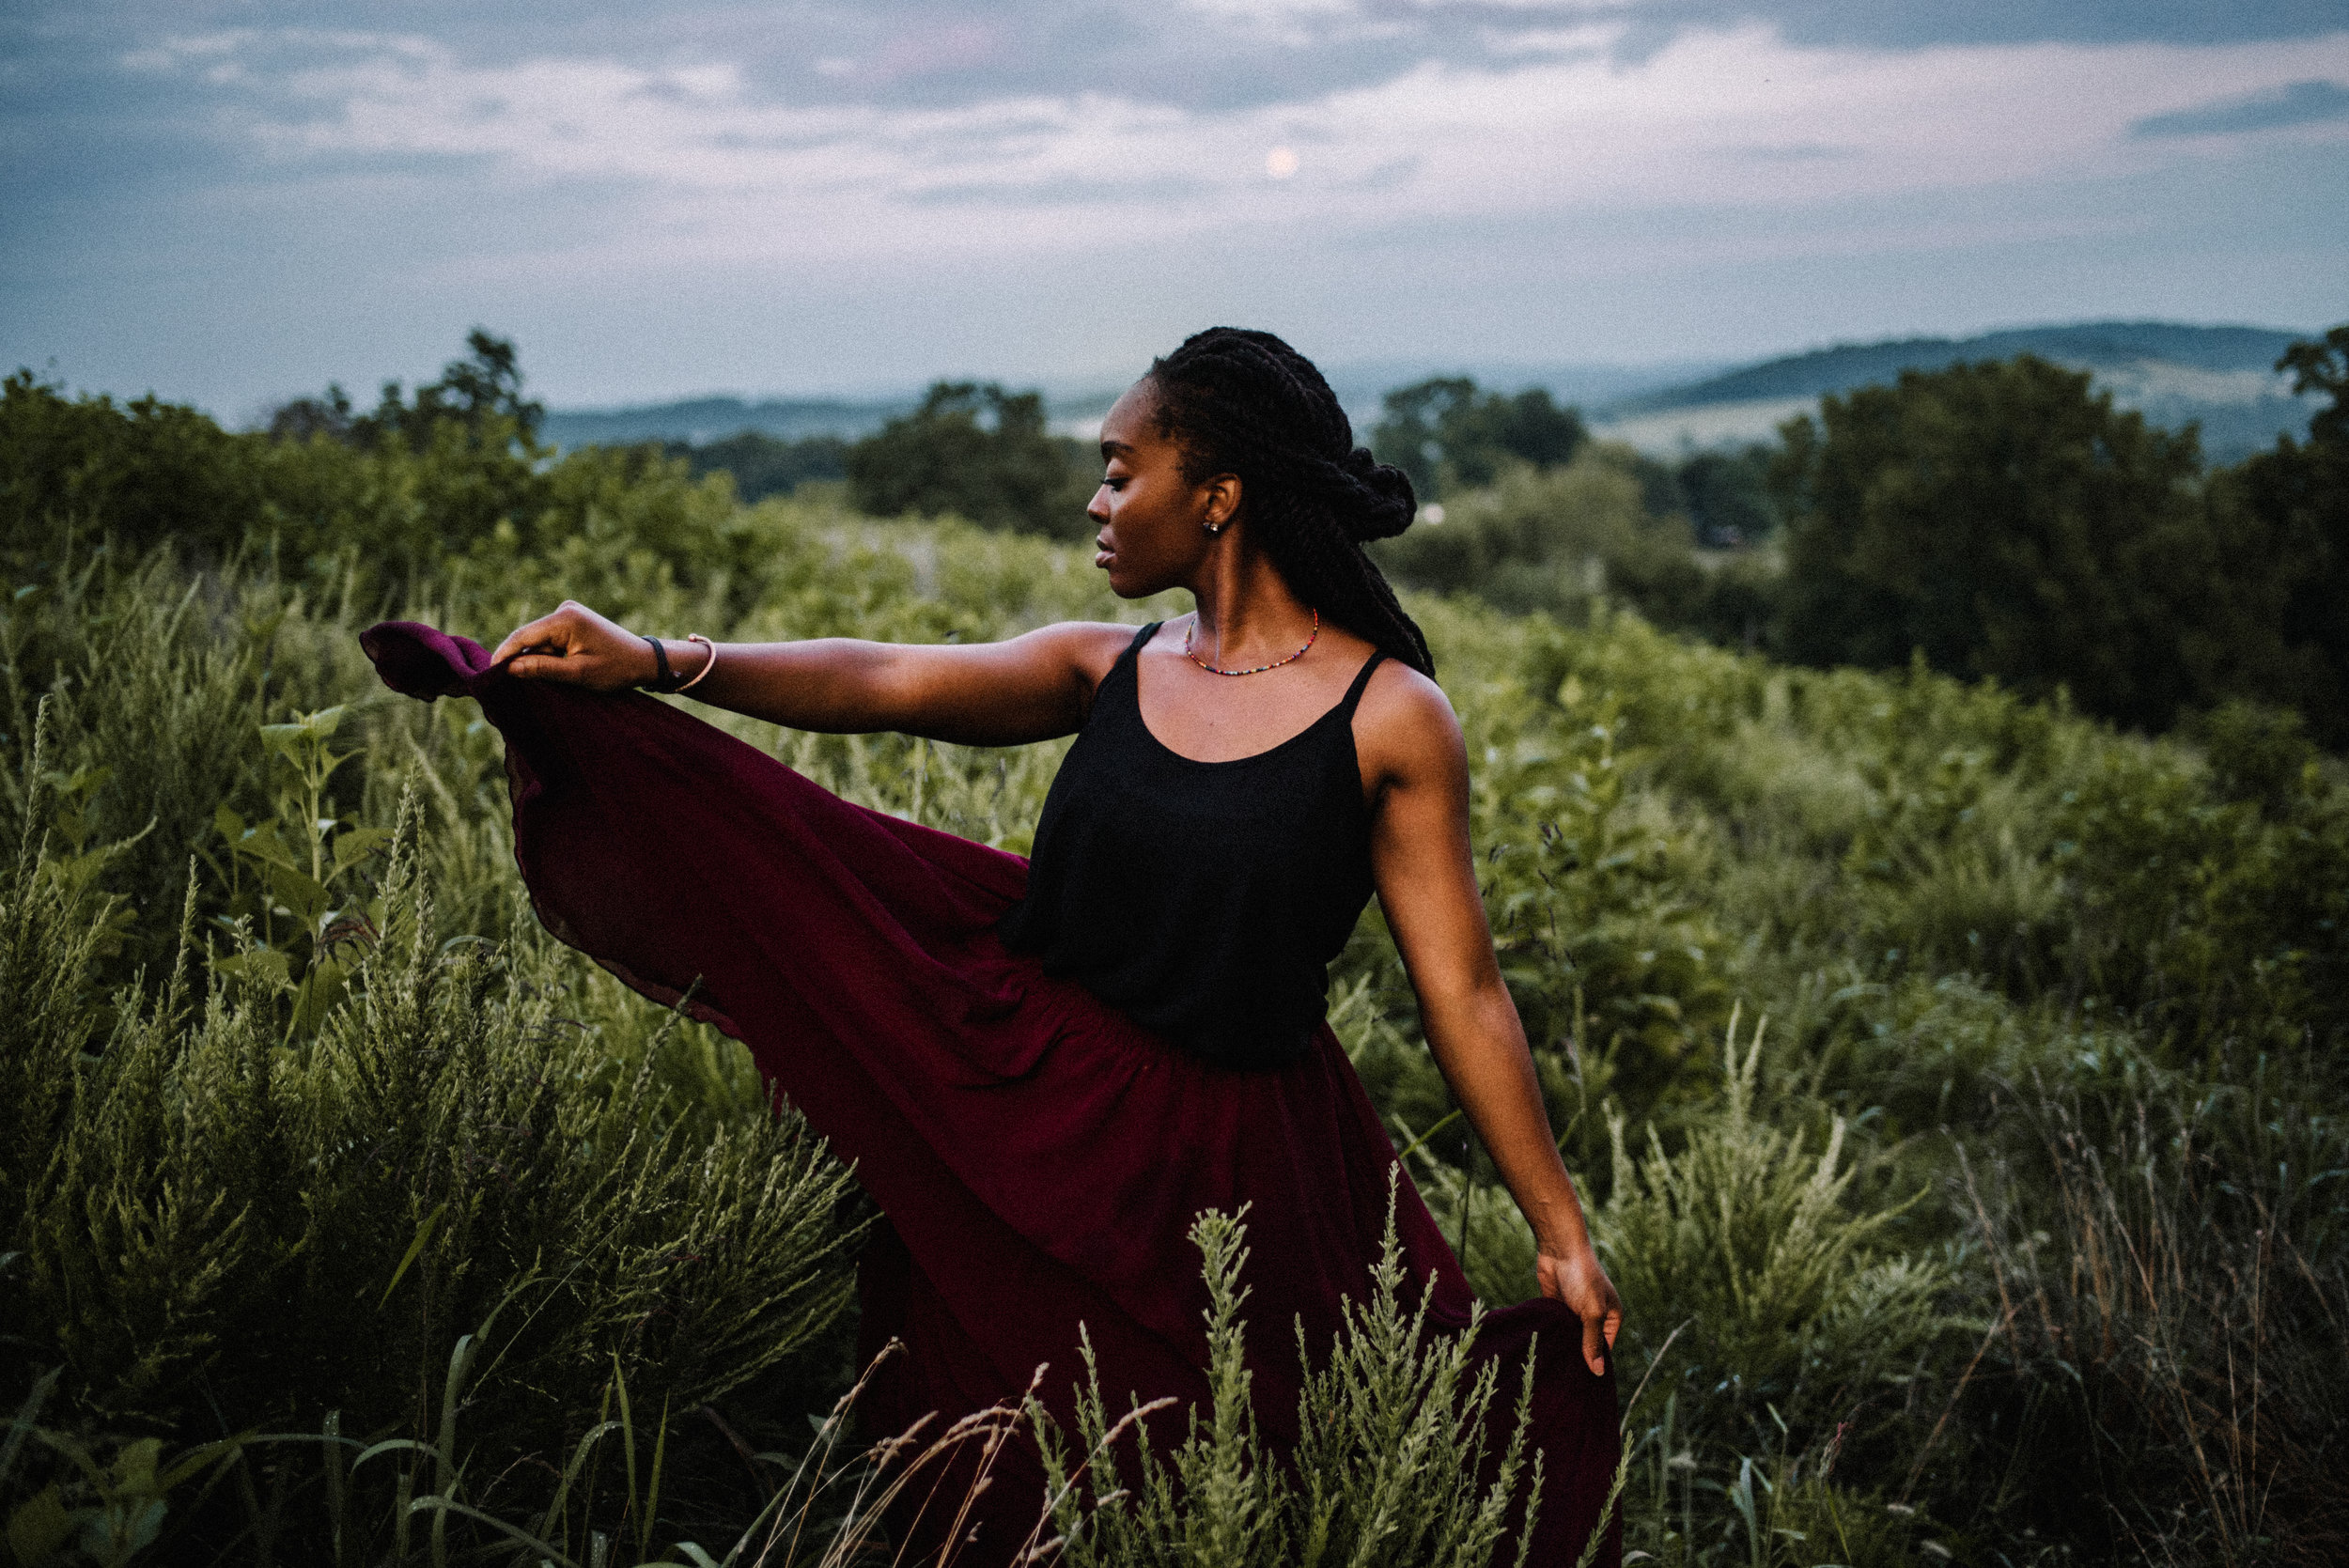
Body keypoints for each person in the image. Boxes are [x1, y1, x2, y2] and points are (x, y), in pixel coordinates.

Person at [364, 327, 1622, 1564]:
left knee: (1231, 1481)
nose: (1098, 497)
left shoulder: (1393, 716)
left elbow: (1461, 988)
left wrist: (1558, 1230)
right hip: (1028, 1124)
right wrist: (662, 660)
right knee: (995, 1474)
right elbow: (887, 682)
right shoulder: (1108, 666)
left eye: (1124, 470)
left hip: (1243, 1173)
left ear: (1220, 494)